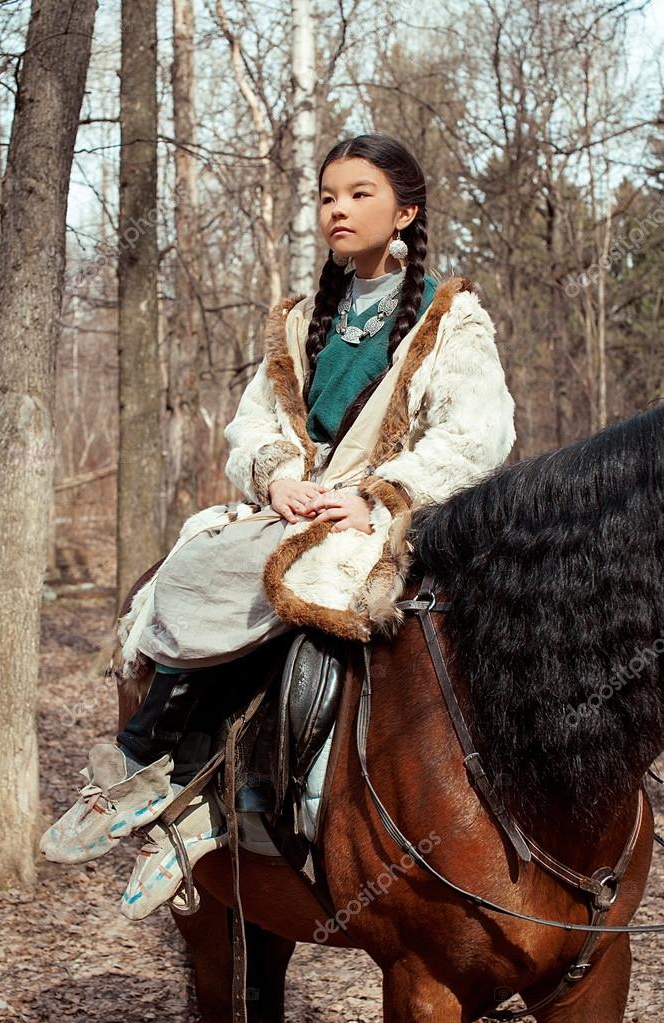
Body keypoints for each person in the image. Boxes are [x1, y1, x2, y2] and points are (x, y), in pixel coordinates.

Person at [40, 132, 517, 917]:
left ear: (406, 211)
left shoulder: (449, 316)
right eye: (329, 194)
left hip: (393, 515)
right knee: (195, 564)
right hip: (300, 505)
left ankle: (220, 792)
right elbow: (253, 424)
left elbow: (477, 434)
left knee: (309, 582)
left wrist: (380, 493)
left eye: (360, 193)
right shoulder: (299, 320)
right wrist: (281, 476)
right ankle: (167, 777)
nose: (339, 208)